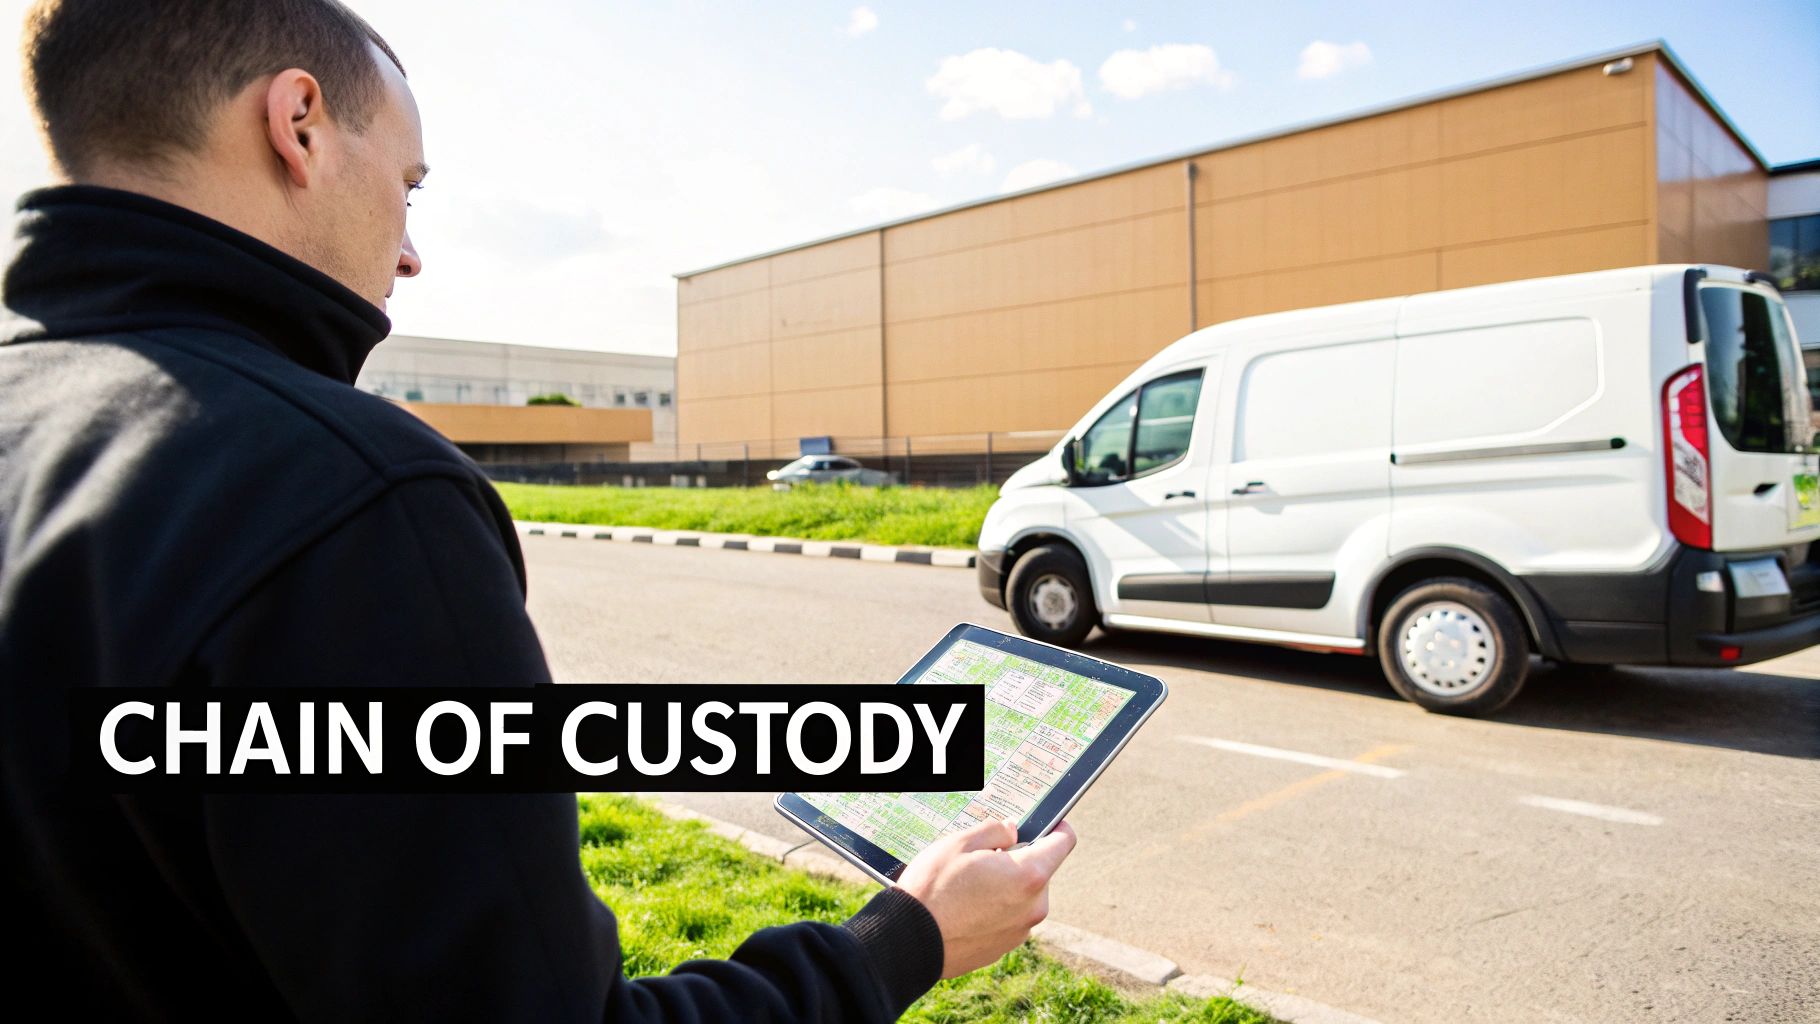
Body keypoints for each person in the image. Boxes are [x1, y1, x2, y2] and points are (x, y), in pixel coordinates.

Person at [0, 1, 1077, 1019]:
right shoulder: (350, 497)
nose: (412, 248)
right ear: (298, 125)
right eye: (410, 186)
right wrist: (903, 941)